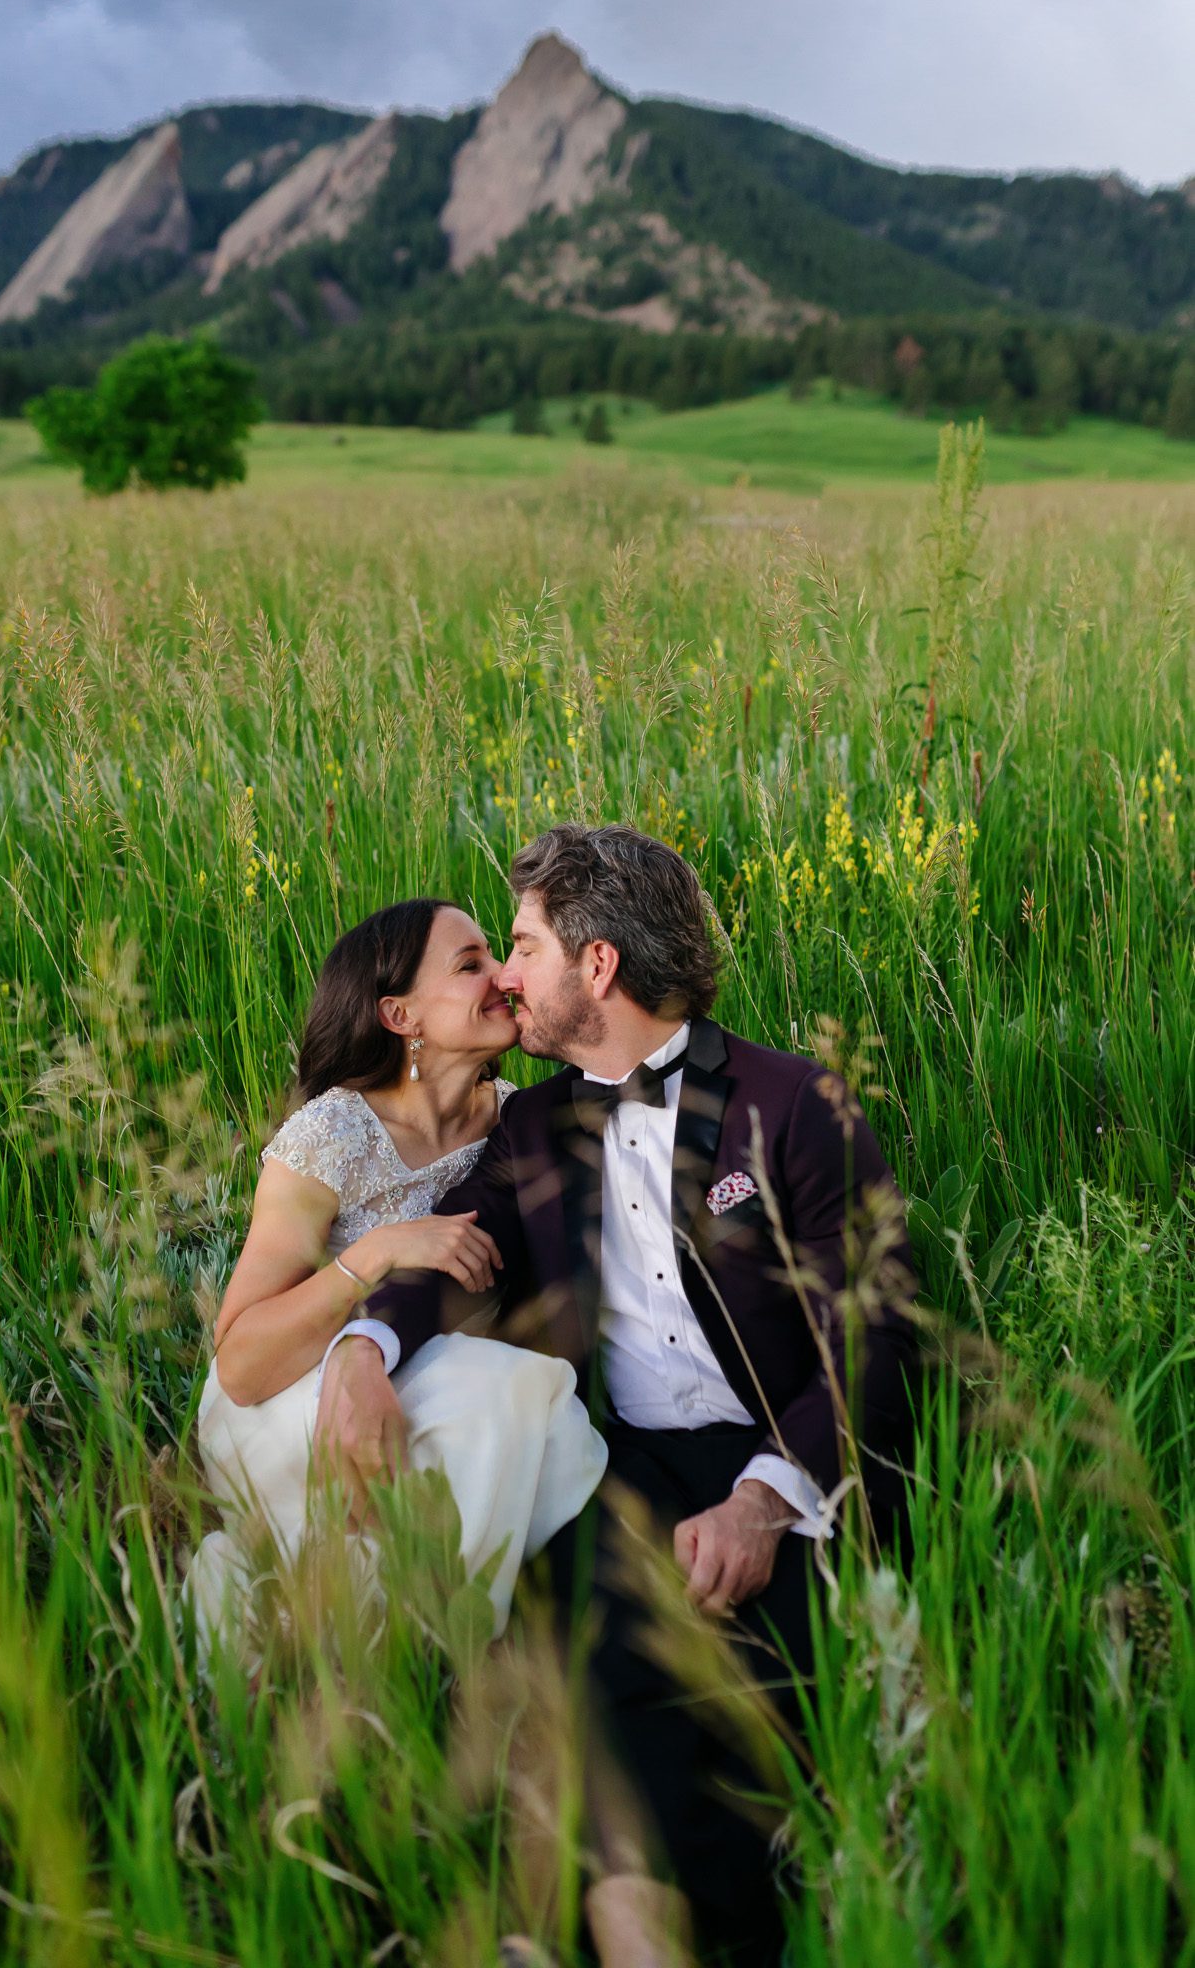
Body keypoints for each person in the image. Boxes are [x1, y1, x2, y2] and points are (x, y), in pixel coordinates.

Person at [314, 825, 922, 1968]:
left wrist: (766, 1497)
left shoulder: (793, 1104)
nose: (506, 974)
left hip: (788, 1465)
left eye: (528, 945)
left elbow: (875, 1328)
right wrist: (361, 1350)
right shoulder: (533, 1129)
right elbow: (453, 1259)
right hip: (622, 1472)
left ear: (596, 965)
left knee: (758, 1709)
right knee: (598, 1695)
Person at [183, 898, 607, 1664]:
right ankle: (391, 1645)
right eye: (469, 963)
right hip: (293, 1396)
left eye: (498, 956)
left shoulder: (518, 1123)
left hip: (438, 1381)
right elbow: (240, 1364)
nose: (503, 978)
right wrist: (375, 1253)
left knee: (537, 1411)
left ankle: (372, 1636)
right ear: (400, 1014)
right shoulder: (332, 1135)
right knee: (504, 1394)